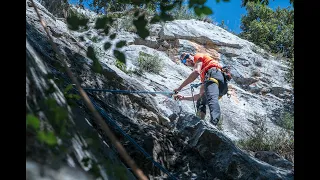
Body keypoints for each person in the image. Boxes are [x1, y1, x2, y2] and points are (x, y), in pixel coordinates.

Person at [173, 52, 227, 125]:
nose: (188, 60)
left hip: (214, 74)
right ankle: (200, 123)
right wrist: (183, 98)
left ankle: (213, 123)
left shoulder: (198, 56)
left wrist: (179, 88)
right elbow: (199, 96)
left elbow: (196, 72)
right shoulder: (204, 76)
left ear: (192, 55)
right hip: (222, 85)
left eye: (187, 57)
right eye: (184, 61)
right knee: (201, 101)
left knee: (211, 98)